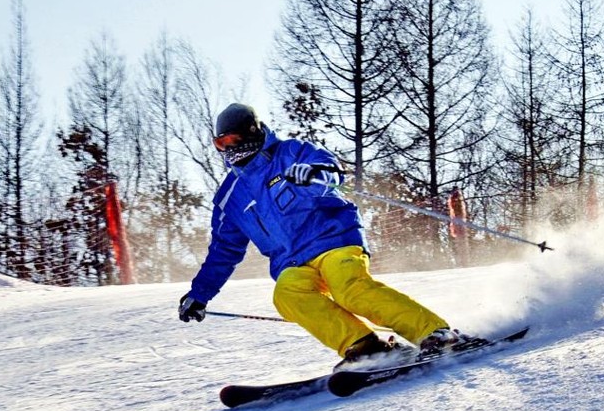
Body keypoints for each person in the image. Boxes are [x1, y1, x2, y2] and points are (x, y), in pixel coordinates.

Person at [177, 102, 465, 369]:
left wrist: (313, 172)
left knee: (349, 289)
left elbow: (332, 171)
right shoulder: (230, 197)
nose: (228, 149)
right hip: (292, 262)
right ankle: (364, 346)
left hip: (333, 239)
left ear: (251, 132)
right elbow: (223, 250)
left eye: (232, 141)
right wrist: (200, 294)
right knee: (287, 294)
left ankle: (435, 332)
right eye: (220, 143)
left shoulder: (290, 153)